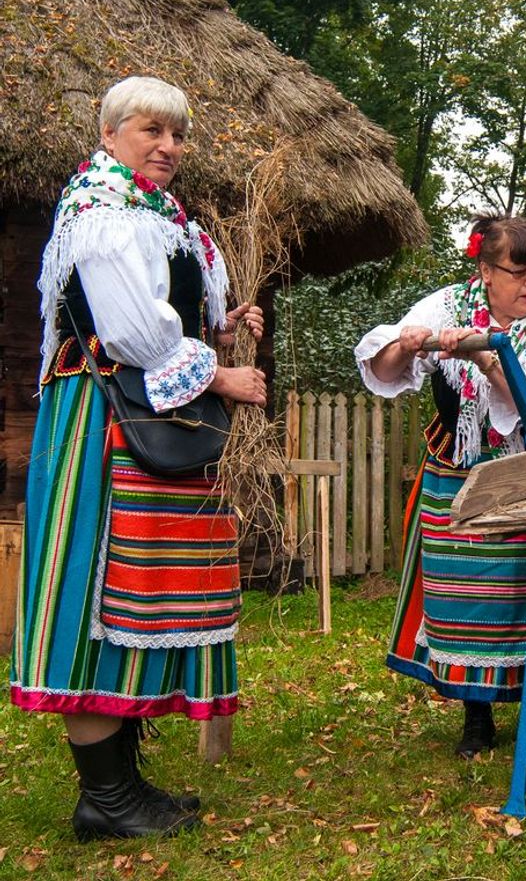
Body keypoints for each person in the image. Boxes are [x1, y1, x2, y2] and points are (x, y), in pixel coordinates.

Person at [9, 76, 267, 840]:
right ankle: (107, 799)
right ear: (112, 131)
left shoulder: (161, 216)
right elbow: (128, 333)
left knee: (136, 597)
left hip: (138, 415)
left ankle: (120, 784)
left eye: (179, 135)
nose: (169, 146)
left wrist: (218, 327)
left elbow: (163, 316)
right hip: (102, 423)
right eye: (153, 130)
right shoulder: (102, 209)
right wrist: (219, 374)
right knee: (96, 593)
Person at [355, 213, 526, 758]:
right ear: (486, 270)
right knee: (467, 588)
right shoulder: (446, 304)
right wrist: (409, 343)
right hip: (457, 464)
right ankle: (477, 715)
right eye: (519, 271)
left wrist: (488, 358)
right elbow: (387, 365)